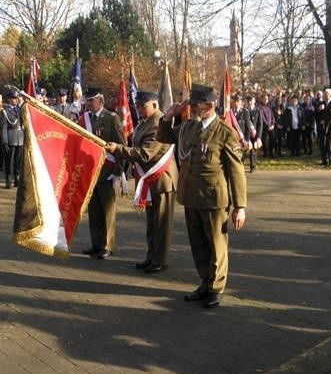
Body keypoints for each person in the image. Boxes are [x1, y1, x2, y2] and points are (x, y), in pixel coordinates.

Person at [158, 84, 246, 309]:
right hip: (191, 196)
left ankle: (216, 288)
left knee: (216, 245)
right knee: (198, 243)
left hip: (214, 198)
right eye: (193, 104)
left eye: (197, 105)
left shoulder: (225, 132)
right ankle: (205, 282)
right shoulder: (189, 127)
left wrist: (240, 206)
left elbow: (236, 171)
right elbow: (164, 136)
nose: (193, 108)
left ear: (210, 105)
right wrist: (168, 117)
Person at [105, 90, 178, 274]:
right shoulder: (147, 121)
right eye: (137, 106)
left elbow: (145, 154)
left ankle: (159, 260)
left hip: (162, 179)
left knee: (161, 223)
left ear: (154, 104)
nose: (138, 109)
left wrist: (118, 149)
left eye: (142, 106)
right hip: (150, 179)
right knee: (151, 222)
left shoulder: (157, 124)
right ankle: (151, 256)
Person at [79, 87, 126, 260]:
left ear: (101, 100)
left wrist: (118, 173)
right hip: (91, 172)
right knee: (94, 210)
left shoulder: (112, 118)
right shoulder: (84, 119)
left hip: (107, 171)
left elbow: (122, 147)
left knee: (107, 211)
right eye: (87, 100)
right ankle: (96, 244)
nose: (88, 103)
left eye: (91, 100)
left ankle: (107, 245)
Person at [0, 90, 24, 189]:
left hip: (20, 138)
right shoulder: (4, 111)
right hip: (10, 138)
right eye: (14, 98)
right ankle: (8, 178)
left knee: (18, 160)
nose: (16, 100)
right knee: (9, 160)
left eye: (17, 98)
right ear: (9, 99)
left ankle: (17, 178)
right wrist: (4, 141)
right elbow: (3, 127)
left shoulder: (20, 110)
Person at [317, 88, 331, 167]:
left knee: (330, 144)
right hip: (322, 127)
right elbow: (317, 115)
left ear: (330, 95)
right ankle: (324, 160)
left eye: (326, 93)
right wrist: (320, 110)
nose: (324, 95)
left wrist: (326, 121)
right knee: (322, 144)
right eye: (324, 93)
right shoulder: (321, 103)